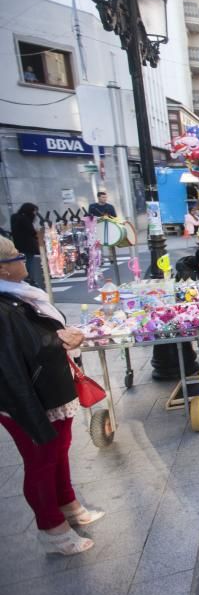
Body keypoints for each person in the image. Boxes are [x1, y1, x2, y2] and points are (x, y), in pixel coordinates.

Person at [0, 237, 104, 555]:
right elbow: (17, 356)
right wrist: (59, 340)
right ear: (3, 269)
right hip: (29, 398)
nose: (24, 261)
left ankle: (68, 505)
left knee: (58, 451)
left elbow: (37, 336)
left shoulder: (20, 296)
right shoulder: (6, 306)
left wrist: (61, 336)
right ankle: (52, 528)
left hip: (52, 390)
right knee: (40, 460)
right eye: (17, 257)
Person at [11, 202, 42, 288]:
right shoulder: (25, 219)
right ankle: (30, 279)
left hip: (18, 244)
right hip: (28, 245)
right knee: (29, 262)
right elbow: (32, 231)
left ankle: (26, 278)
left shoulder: (14, 217)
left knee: (23, 262)